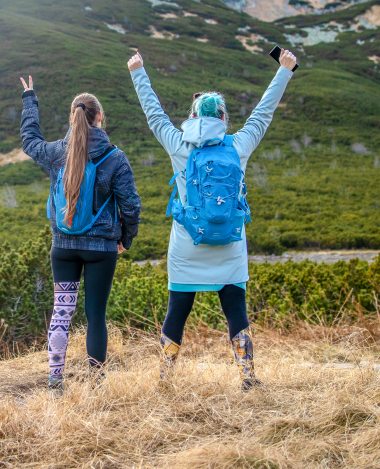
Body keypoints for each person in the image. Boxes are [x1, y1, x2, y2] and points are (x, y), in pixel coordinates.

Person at [126, 49, 296, 389]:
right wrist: (285, 70)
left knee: (178, 310)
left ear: (192, 117)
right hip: (230, 244)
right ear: (222, 118)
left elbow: (154, 115)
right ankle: (247, 376)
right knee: (236, 309)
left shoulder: (179, 145)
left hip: (187, 245)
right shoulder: (239, 145)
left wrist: (138, 71)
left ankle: (165, 378)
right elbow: (263, 114)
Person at [18, 75, 141, 392]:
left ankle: (55, 381)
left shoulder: (56, 152)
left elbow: (30, 141)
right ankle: (98, 384)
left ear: (73, 117)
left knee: (62, 311)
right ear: (99, 117)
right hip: (101, 249)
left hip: (63, 247)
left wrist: (29, 98)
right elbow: (131, 206)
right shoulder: (114, 157)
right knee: (95, 315)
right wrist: (125, 240)